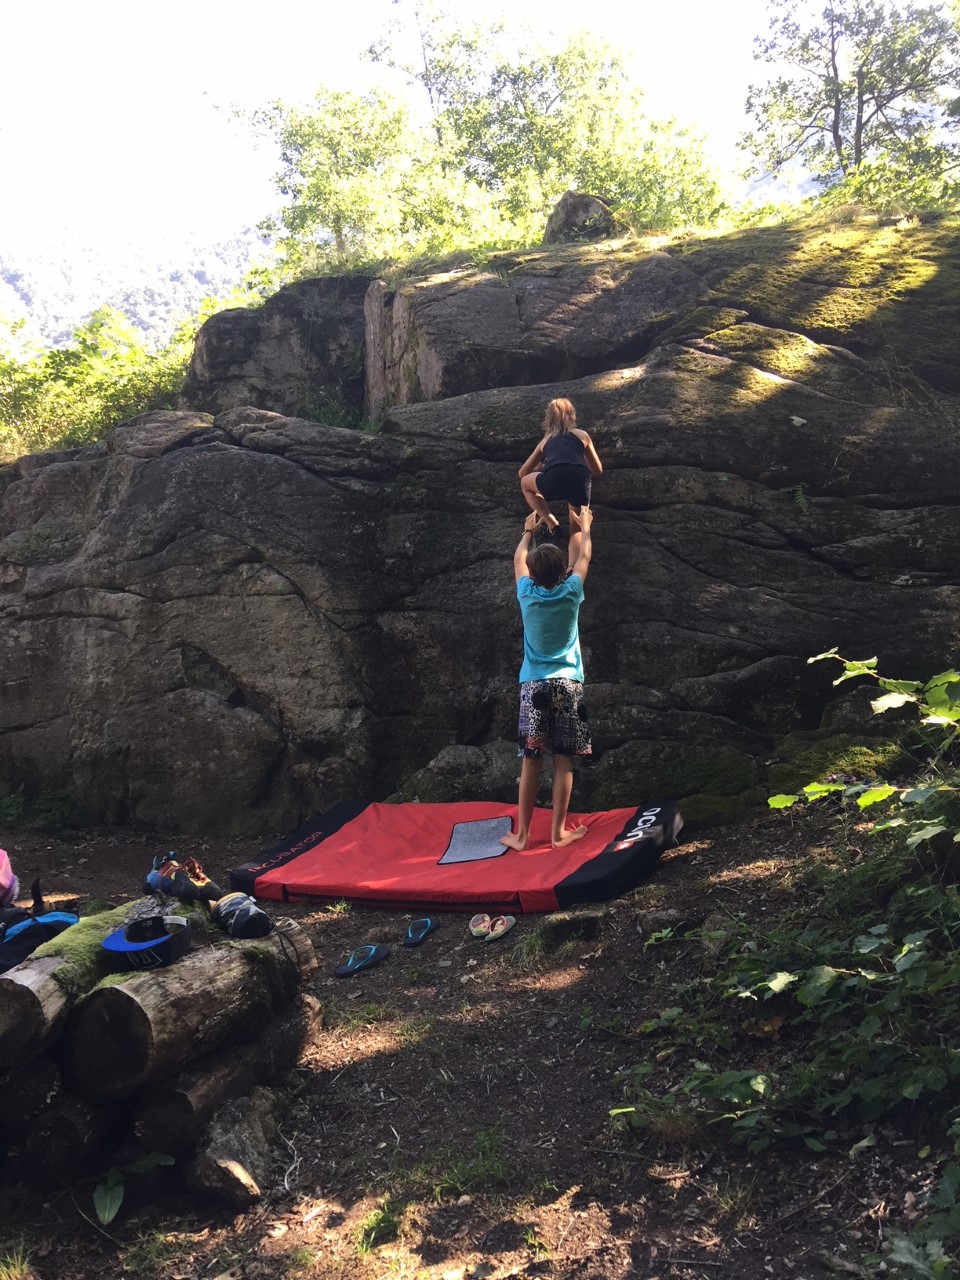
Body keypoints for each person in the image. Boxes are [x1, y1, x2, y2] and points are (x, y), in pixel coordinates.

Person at [502, 505, 594, 852]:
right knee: (563, 760)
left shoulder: (526, 593)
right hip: (568, 685)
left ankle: (523, 836)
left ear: (534, 574)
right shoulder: (571, 593)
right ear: (562, 572)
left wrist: (528, 530)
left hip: (534, 685)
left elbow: (517, 560)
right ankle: (557, 835)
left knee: (530, 760)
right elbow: (584, 557)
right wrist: (584, 527)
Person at [517, 398, 603, 542]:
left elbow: (522, 473)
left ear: (548, 418)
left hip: (553, 479)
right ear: (572, 415)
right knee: (576, 529)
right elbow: (597, 471)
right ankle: (572, 564)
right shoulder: (582, 435)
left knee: (525, 484)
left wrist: (540, 467)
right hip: (579, 478)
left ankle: (552, 524)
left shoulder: (546, 441)